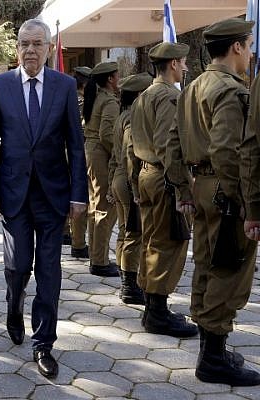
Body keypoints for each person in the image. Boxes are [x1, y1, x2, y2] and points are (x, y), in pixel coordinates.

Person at [0, 19, 87, 379]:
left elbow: (75, 143)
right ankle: (14, 305)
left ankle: (44, 344)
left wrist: (78, 195)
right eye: (24, 44)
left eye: (37, 44)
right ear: (17, 49)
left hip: (53, 197)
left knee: (49, 271)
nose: (30, 50)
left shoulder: (65, 85)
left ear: (47, 47)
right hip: (13, 196)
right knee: (18, 266)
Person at [166, 18, 260, 386]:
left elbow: (174, 142)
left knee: (207, 265)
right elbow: (229, 149)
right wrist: (248, 203)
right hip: (226, 189)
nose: (250, 52)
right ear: (236, 47)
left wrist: (185, 191)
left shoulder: (193, 86)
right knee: (229, 271)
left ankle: (211, 350)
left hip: (202, 185)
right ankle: (214, 360)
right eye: (249, 45)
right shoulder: (231, 90)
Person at [130, 42, 197, 337]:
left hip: (147, 175)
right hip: (164, 177)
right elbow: (168, 146)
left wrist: (135, 181)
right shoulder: (169, 96)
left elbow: (132, 145)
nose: (185, 68)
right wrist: (183, 187)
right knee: (168, 244)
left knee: (152, 241)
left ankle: (153, 308)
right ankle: (157, 312)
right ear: (172, 64)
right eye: (183, 63)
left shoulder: (144, 95)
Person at [107, 72, 151, 305]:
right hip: (128, 179)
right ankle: (130, 286)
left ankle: (127, 281)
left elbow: (114, 156)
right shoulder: (134, 117)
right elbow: (129, 152)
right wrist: (135, 187)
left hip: (118, 179)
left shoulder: (122, 116)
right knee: (135, 233)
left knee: (125, 232)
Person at [83, 61, 121, 276]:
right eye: (117, 75)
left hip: (91, 151)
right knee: (106, 207)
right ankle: (100, 261)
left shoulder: (96, 98)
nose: (119, 79)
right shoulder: (109, 102)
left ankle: (96, 257)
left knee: (95, 206)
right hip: (100, 154)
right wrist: (117, 156)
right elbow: (108, 135)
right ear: (109, 79)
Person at [65, 66, 91, 258]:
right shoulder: (81, 101)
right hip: (78, 152)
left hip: (64, 152)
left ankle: (69, 234)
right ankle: (78, 241)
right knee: (80, 197)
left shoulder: (66, 96)